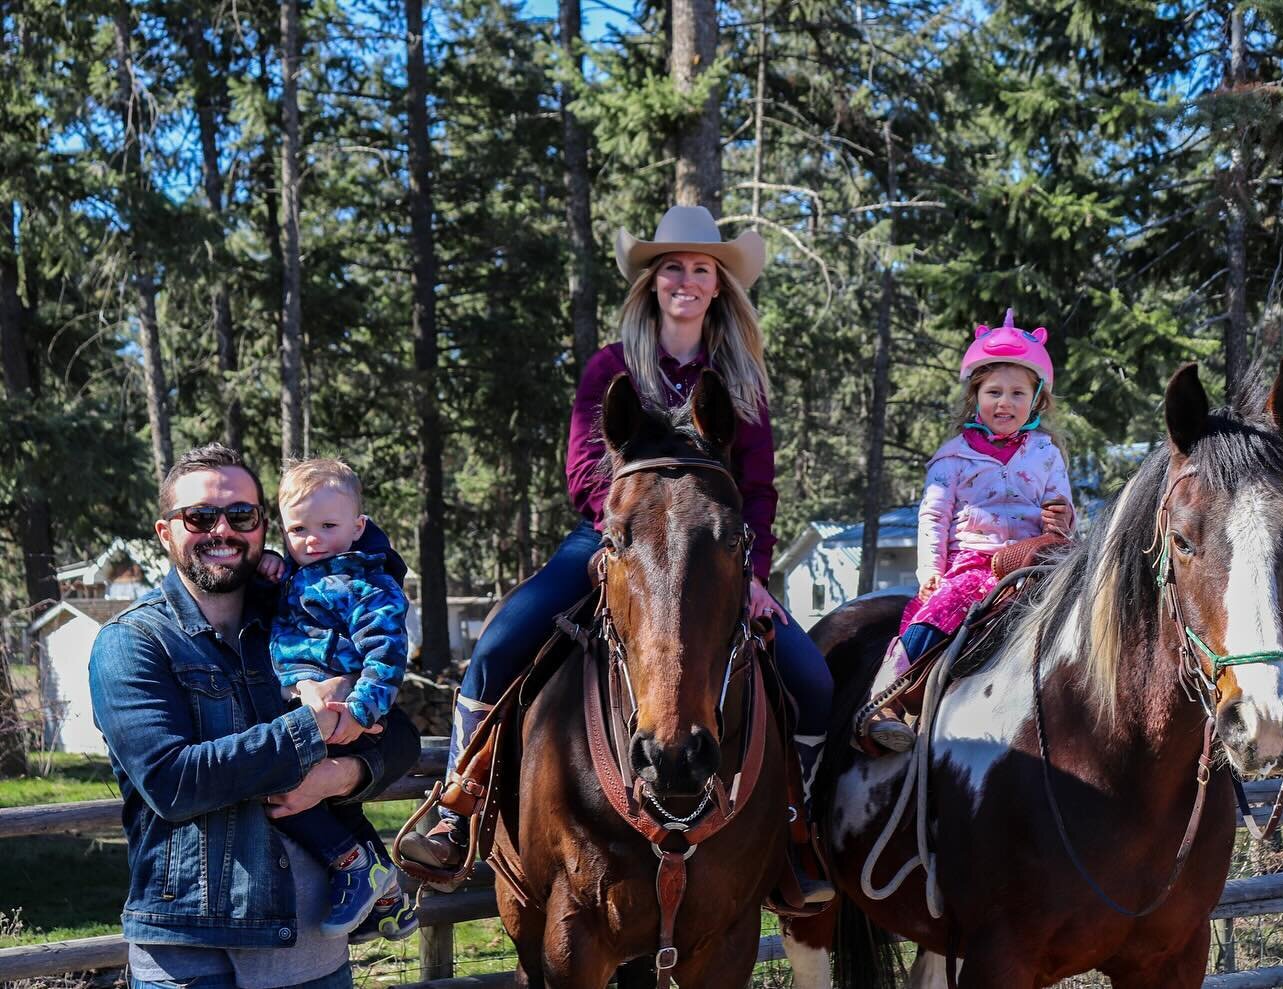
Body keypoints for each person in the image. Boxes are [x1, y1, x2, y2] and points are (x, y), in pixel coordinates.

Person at [400, 205, 834, 902]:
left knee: (811, 682)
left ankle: (795, 833)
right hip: (617, 537)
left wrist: (752, 575)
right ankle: (460, 808)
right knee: (502, 641)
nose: (687, 281)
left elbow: (759, 488)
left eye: (701, 269)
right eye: (673, 269)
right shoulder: (612, 365)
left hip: (714, 552)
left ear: (719, 285)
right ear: (653, 282)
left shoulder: (741, 377)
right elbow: (582, 473)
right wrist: (645, 520)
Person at [89, 444, 421, 989]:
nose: (222, 529)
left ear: (262, 527)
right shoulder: (131, 643)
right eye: (200, 516)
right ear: (165, 532)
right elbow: (174, 783)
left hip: (310, 951)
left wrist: (339, 775)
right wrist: (311, 726)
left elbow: (400, 736)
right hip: (191, 958)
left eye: (240, 515)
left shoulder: (300, 619)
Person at [862, 309, 1075, 753]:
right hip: (975, 562)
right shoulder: (953, 457)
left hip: (1036, 558)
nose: (1005, 402)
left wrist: (1062, 518)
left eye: (1018, 392)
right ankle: (885, 696)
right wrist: (929, 572)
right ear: (975, 397)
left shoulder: (1047, 454)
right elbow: (933, 517)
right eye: (994, 391)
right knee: (938, 612)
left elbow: (1062, 503)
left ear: (1036, 400)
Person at [258, 457, 418, 939]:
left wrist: (362, 708)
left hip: (337, 708)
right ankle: (387, 898)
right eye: (298, 529)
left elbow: (386, 652)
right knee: (337, 805)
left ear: (358, 527)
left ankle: (354, 865)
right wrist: (272, 562)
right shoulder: (295, 572)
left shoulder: (366, 583)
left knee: (286, 790)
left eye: (328, 526)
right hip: (300, 693)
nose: (312, 539)